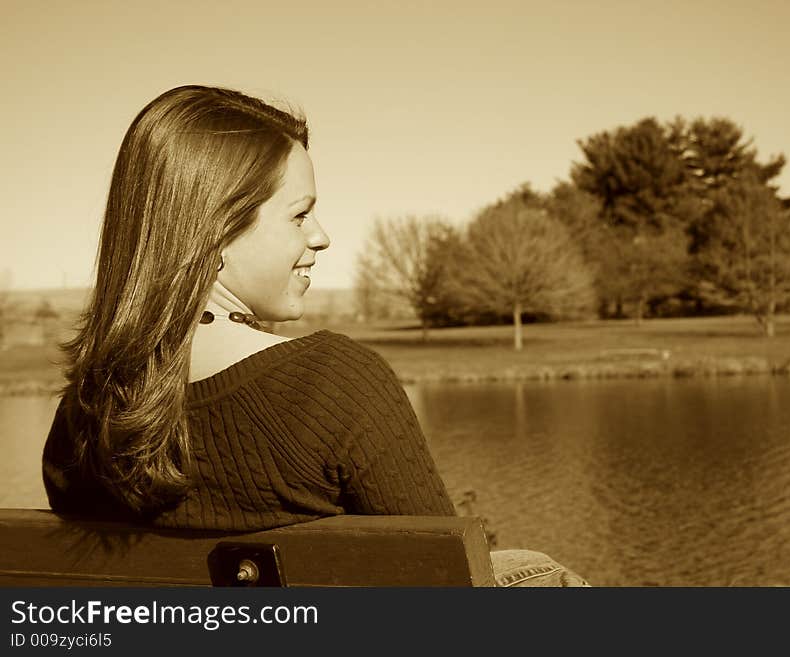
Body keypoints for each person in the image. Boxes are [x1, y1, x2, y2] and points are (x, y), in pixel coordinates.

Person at [41, 85, 588, 587]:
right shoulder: (334, 384)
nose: (321, 237)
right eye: (300, 215)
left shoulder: (82, 416)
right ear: (215, 231)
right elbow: (446, 590)